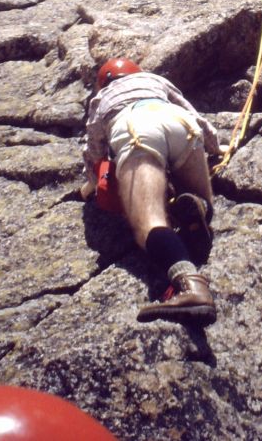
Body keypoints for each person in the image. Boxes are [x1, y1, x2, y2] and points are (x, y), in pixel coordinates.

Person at [81, 57, 223, 325]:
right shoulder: (156, 80)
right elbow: (196, 117)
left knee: (149, 223)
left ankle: (190, 287)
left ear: (103, 84)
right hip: (181, 125)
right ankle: (197, 208)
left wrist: (89, 185)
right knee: (199, 197)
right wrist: (215, 148)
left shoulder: (102, 98)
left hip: (136, 129)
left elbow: (94, 149)